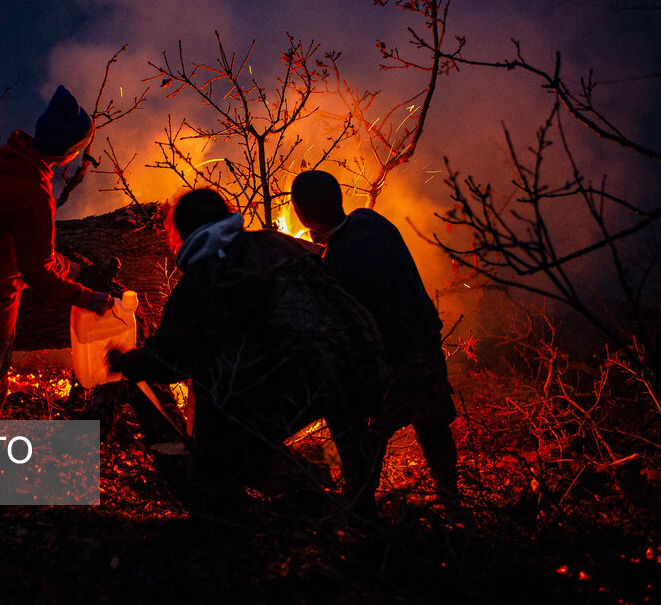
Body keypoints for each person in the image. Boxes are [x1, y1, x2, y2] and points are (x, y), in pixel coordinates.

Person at [108, 188, 389, 514]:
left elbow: (170, 359)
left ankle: (279, 510)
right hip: (362, 358)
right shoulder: (277, 242)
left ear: (182, 232)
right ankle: (358, 515)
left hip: (302, 377)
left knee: (212, 453)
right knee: (348, 429)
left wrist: (126, 361)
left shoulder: (203, 276)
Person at [0, 85, 113, 420]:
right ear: (67, 152)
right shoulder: (35, 195)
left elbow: (34, 252)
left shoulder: (4, 159)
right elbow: (36, 271)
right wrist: (87, 298)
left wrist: (76, 272)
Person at [291, 170, 459, 496]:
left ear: (302, 216)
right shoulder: (371, 222)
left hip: (390, 371)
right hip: (425, 349)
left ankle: (361, 508)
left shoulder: (335, 267)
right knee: (434, 427)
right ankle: (451, 498)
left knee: (363, 445)